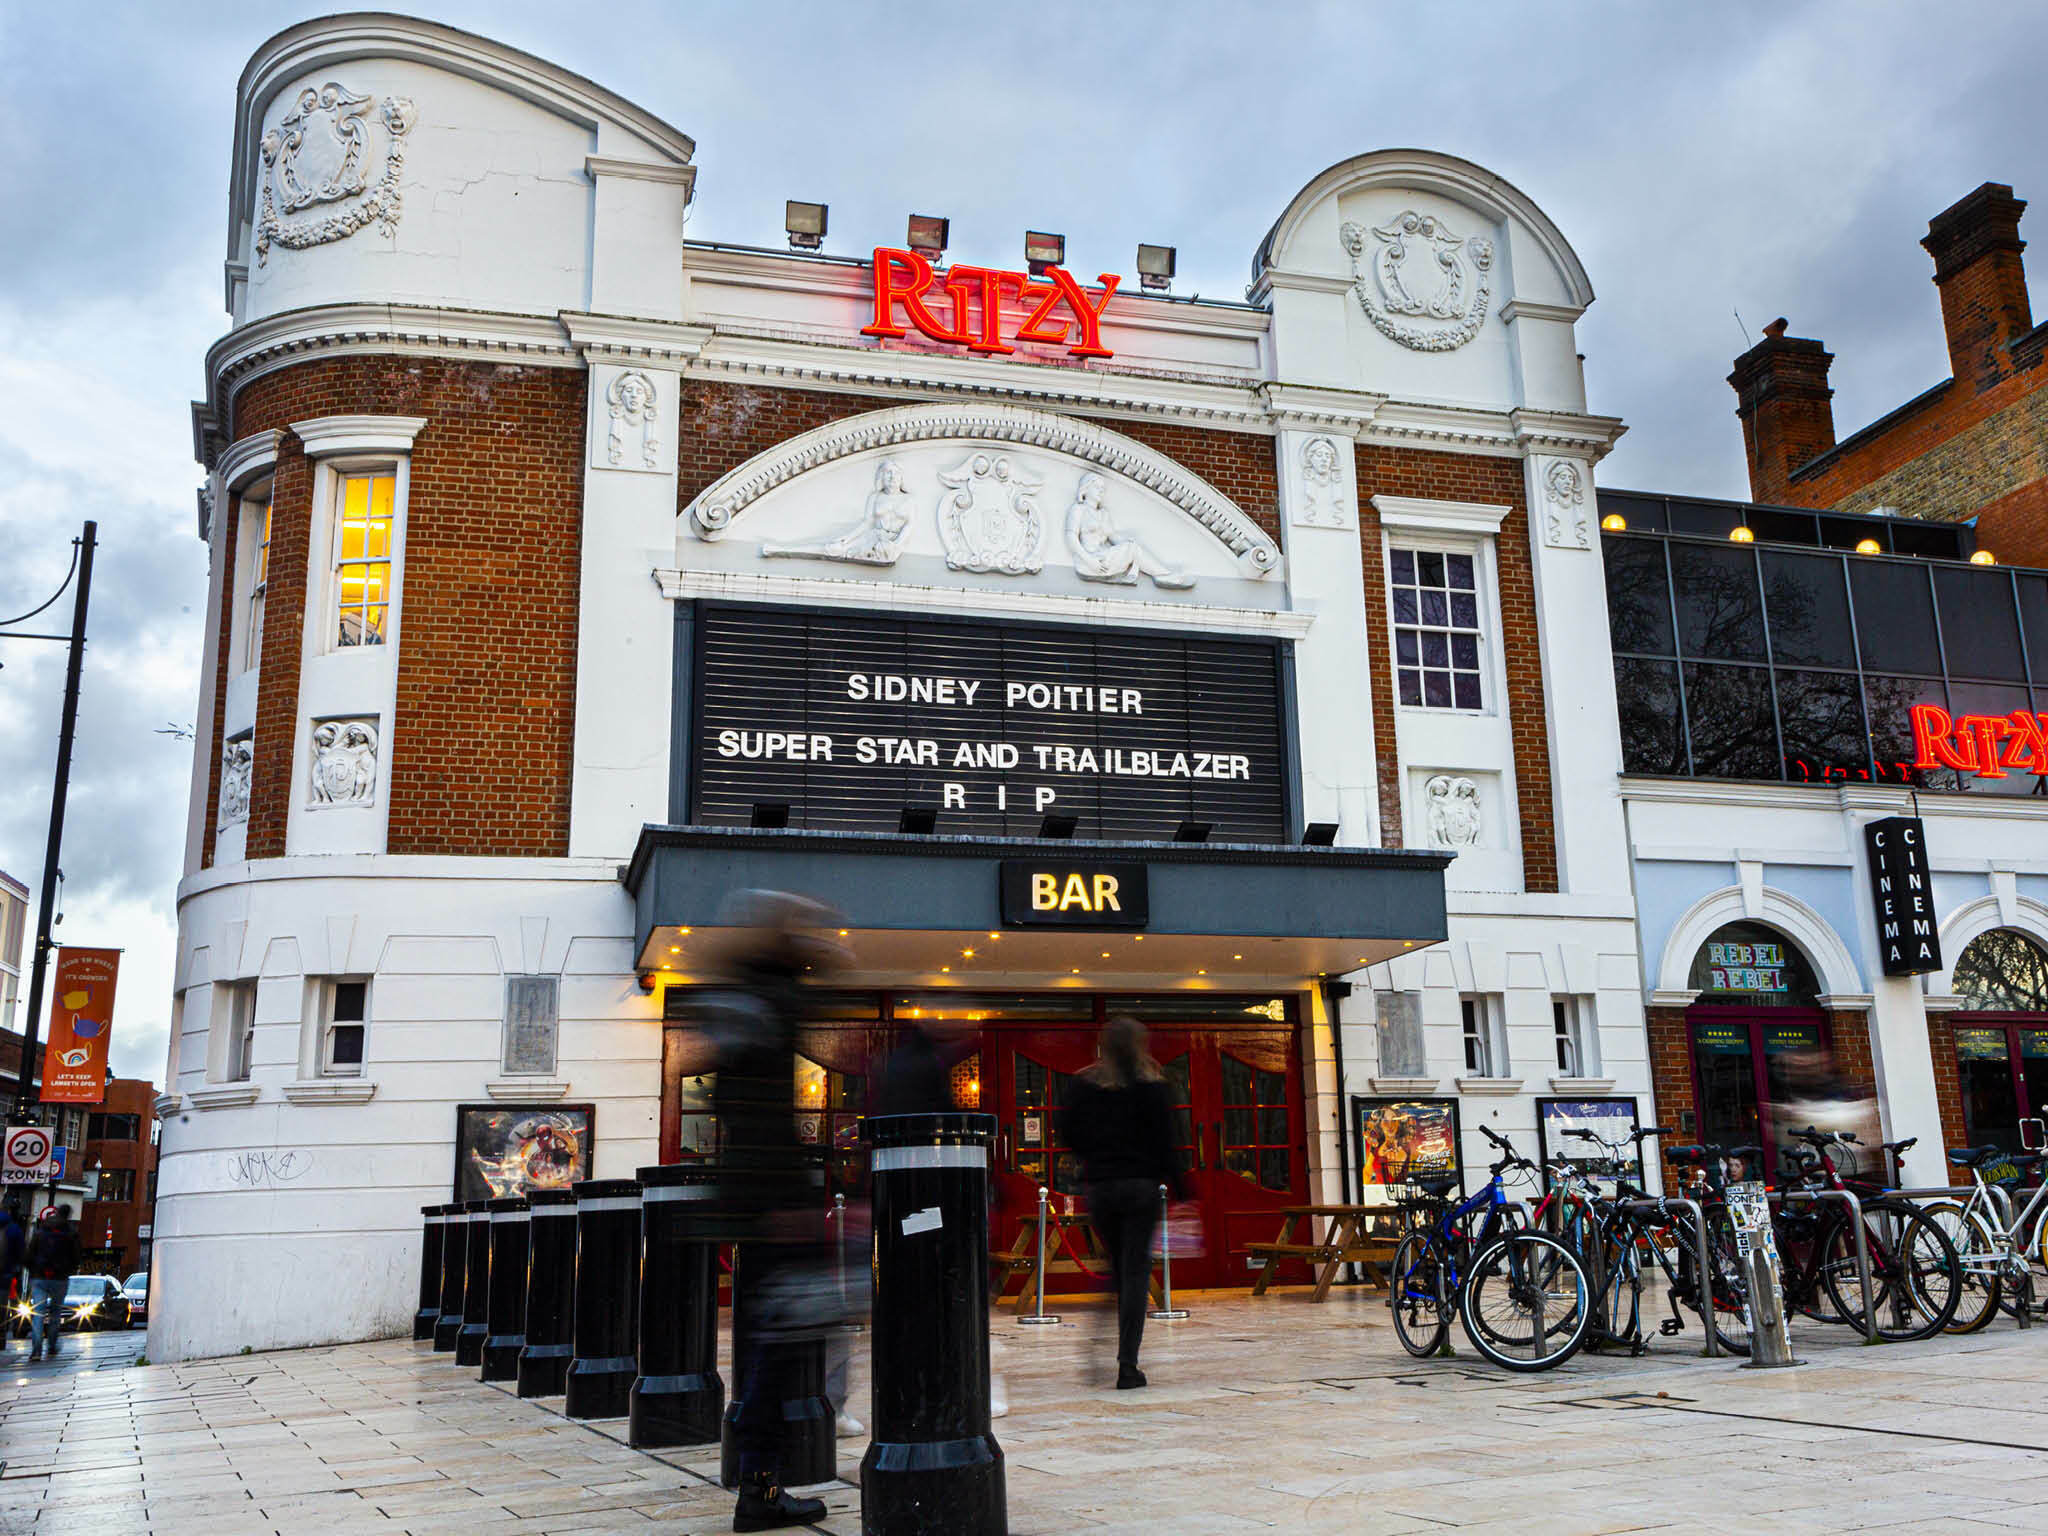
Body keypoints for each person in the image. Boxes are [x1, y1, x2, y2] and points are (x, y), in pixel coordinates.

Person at [703, 891, 848, 1532]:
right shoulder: (767, 1000)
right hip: (771, 1198)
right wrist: (785, 1198)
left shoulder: (745, 997)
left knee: (778, 1338)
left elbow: (732, 1101)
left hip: (754, 1194)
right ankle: (759, 1484)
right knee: (786, 1341)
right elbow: (757, 1105)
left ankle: (760, 1480)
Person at [1059, 1016, 1187, 1390]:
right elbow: (1167, 1142)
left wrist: (1094, 1159)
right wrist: (1182, 1188)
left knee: (1117, 1269)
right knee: (1134, 1273)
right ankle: (1127, 1364)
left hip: (1102, 1188)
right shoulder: (1153, 1087)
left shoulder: (1085, 1086)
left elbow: (1067, 1132)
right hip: (1141, 1188)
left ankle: (1096, 1343)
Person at [24, 1204, 80, 1362]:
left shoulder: (41, 1230)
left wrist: (32, 1270)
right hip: (59, 1278)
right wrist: (69, 1270)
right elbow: (76, 1256)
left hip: (39, 1277)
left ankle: (36, 1350)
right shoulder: (71, 1233)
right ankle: (52, 1346)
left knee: (38, 1313)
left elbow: (30, 1253)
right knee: (55, 1313)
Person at [0, 1205, 24, 1355]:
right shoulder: (14, 1229)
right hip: (4, 1276)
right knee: (2, 1308)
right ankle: (1, 1338)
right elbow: (21, 1253)